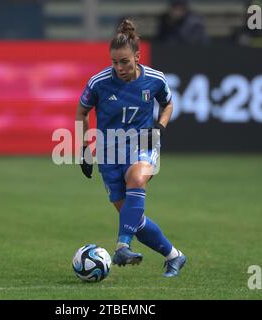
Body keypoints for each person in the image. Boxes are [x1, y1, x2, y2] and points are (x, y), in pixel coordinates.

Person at [75, 19, 187, 277]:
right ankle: (175, 256)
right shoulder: (99, 82)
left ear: (137, 57)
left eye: (124, 61)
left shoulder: (155, 80)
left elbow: (167, 104)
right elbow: (82, 112)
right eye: (114, 62)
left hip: (143, 143)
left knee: (136, 178)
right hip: (108, 151)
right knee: (132, 218)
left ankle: (122, 246)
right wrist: (83, 148)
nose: (119, 67)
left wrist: (160, 125)